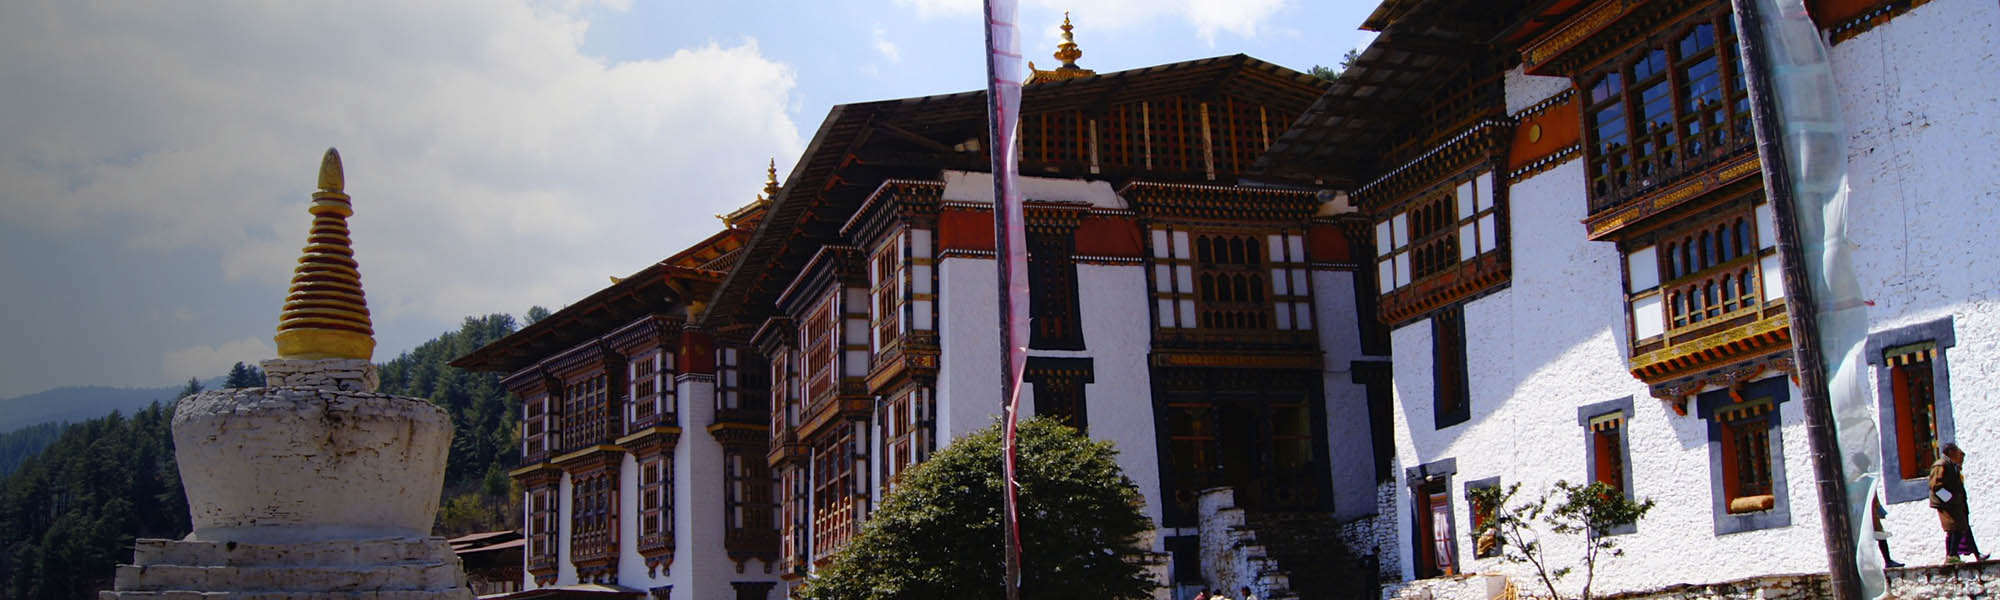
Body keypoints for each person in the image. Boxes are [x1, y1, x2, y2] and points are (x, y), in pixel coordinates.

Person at [1930, 442, 1989, 563]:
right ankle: (1952, 555)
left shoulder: (1951, 465)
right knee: (1954, 527)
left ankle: (1959, 555)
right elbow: (1936, 486)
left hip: (1955, 503)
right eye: (1956, 452)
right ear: (1951, 452)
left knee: (1961, 526)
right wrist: (1949, 499)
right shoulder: (1941, 465)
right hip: (1946, 504)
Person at [1873, 495, 1904, 568]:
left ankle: (1888, 561)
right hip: (1868, 515)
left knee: (1881, 537)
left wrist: (1882, 512)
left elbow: (1875, 500)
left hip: (1872, 515)